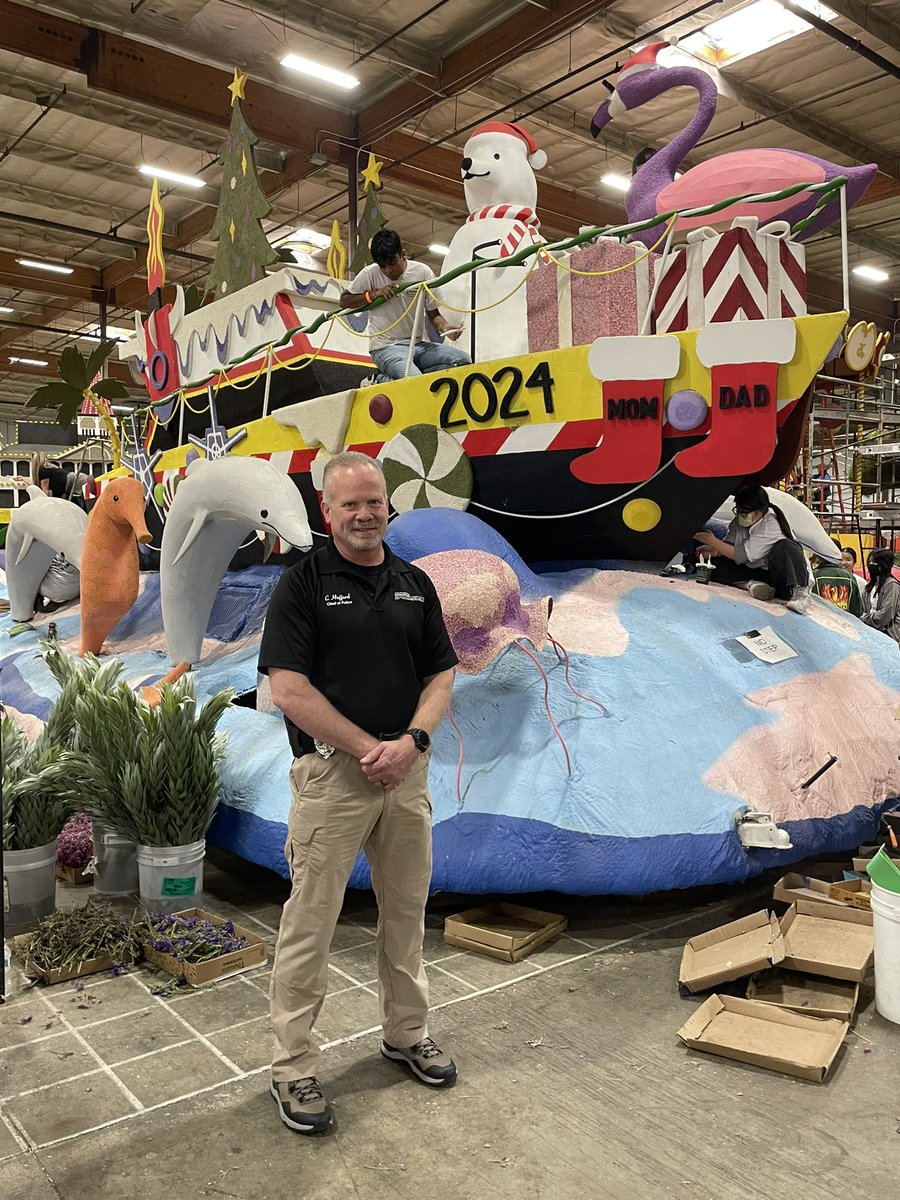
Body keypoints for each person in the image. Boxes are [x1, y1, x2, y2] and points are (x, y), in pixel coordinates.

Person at [258, 451, 459, 1135]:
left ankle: (407, 1034)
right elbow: (289, 690)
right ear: (327, 510)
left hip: (406, 775)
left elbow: (440, 674)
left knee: (406, 914)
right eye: (351, 504)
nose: (365, 514)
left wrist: (413, 742)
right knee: (310, 923)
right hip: (332, 778)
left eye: (374, 501)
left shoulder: (413, 584)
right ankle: (292, 1066)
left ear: (388, 506)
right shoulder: (302, 585)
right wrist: (368, 748)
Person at [341, 229, 471, 381]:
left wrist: (445, 328)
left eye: (392, 263)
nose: (388, 270)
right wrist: (374, 294)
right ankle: (378, 381)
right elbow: (344, 300)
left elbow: (433, 314)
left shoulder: (422, 272)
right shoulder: (370, 273)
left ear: (403, 254)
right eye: (382, 266)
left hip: (418, 345)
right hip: (385, 347)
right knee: (413, 380)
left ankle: (394, 379)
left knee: (463, 361)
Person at [694, 484, 812, 614]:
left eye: (743, 513)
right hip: (760, 573)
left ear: (758, 512)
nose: (739, 516)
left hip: (782, 579)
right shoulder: (739, 522)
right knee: (711, 566)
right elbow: (729, 545)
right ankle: (752, 585)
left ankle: (801, 593)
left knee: (785, 546)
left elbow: (742, 556)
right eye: (738, 511)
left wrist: (711, 540)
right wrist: (714, 551)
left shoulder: (771, 524)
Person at [861, 548, 900, 646]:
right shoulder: (869, 587)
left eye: (874, 562)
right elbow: (861, 609)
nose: (871, 564)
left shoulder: (892, 585)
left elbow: (885, 615)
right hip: (869, 634)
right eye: (869, 562)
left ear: (883, 565)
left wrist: (864, 618)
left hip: (888, 637)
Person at [810, 551, 862, 616]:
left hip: (820, 620)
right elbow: (858, 610)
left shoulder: (813, 575)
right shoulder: (849, 576)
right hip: (846, 621)